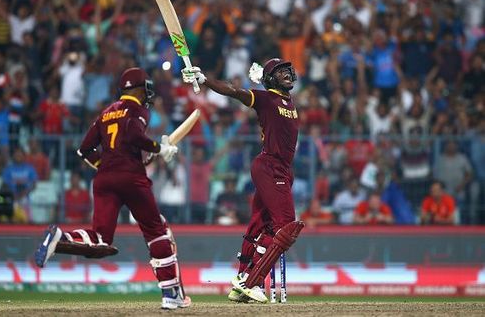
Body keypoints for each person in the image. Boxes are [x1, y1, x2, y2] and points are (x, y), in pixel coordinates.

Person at [34, 67, 191, 310]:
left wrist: (109, 165)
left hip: (105, 179)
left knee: (101, 240)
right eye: (146, 88)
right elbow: (131, 134)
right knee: (157, 231)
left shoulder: (105, 113)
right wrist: (158, 148)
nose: (148, 93)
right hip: (131, 179)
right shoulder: (138, 110)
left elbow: (83, 150)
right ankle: (172, 294)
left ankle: (60, 237)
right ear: (139, 89)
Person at [182, 58, 304, 303]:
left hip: (280, 169)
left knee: (261, 225)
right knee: (286, 227)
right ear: (270, 79)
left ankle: (241, 281)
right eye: (280, 72)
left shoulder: (287, 101)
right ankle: (253, 281)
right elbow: (234, 92)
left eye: (288, 70)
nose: (287, 74)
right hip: (271, 166)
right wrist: (205, 80)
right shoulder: (266, 98)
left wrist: (265, 76)